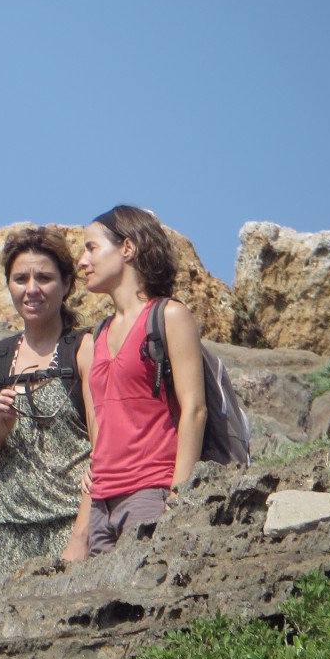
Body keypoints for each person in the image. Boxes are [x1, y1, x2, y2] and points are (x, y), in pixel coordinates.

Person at [0, 227, 94, 581]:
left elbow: (105, 450)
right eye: (20, 278)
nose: (31, 289)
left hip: (71, 527)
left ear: (67, 285)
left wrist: (81, 536)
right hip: (9, 537)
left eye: (45, 278)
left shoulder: (83, 349)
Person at [79, 205, 206, 553]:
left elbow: (194, 408)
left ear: (127, 248)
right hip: (101, 502)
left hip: (152, 490)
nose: (82, 261)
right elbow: (106, 417)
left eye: (91, 248)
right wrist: (95, 464)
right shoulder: (98, 333)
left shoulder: (169, 315)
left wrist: (180, 496)